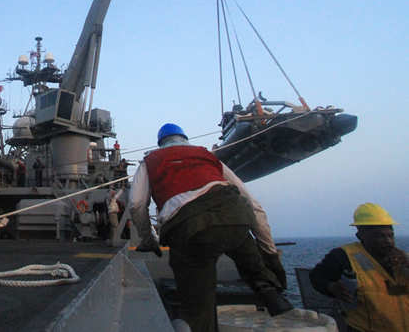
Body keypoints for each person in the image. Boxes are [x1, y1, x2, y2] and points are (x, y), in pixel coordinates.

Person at [130, 122, 292, 332]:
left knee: (198, 305)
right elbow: (254, 206)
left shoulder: (150, 161)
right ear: (184, 138)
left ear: (160, 142)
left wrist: (148, 239)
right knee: (246, 252)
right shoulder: (208, 156)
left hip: (189, 231)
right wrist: (271, 257)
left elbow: (136, 204)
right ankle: (266, 287)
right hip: (235, 216)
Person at [310, 203, 408, 332]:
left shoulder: (401, 258)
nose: (388, 241)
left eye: (390, 235)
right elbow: (317, 276)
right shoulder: (344, 256)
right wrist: (331, 287)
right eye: (380, 236)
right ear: (360, 236)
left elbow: (394, 291)